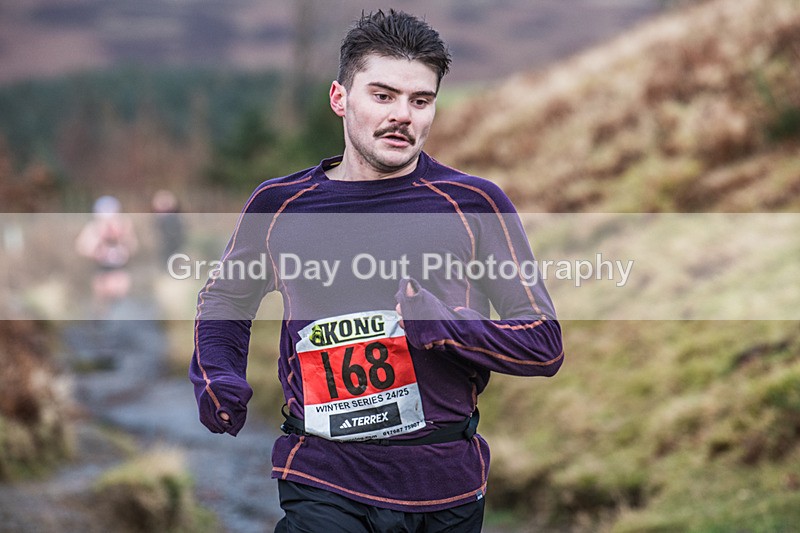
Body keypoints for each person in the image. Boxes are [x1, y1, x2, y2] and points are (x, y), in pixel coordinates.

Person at [190, 10, 564, 532]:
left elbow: (542, 342)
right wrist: (218, 374)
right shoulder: (280, 205)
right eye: (383, 96)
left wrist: (448, 328)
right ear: (340, 98)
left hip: (444, 484)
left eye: (420, 101)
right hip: (322, 474)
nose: (402, 115)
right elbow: (226, 299)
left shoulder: (473, 204)